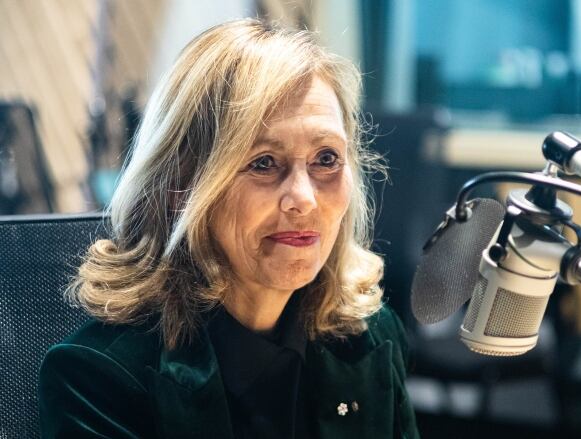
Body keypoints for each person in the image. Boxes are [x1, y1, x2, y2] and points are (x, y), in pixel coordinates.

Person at [38, 18, 419, 439]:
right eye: (263, 163)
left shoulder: (372, 334)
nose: (305, 198)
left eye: (326, 159)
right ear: (180, 186)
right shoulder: (96, 377)